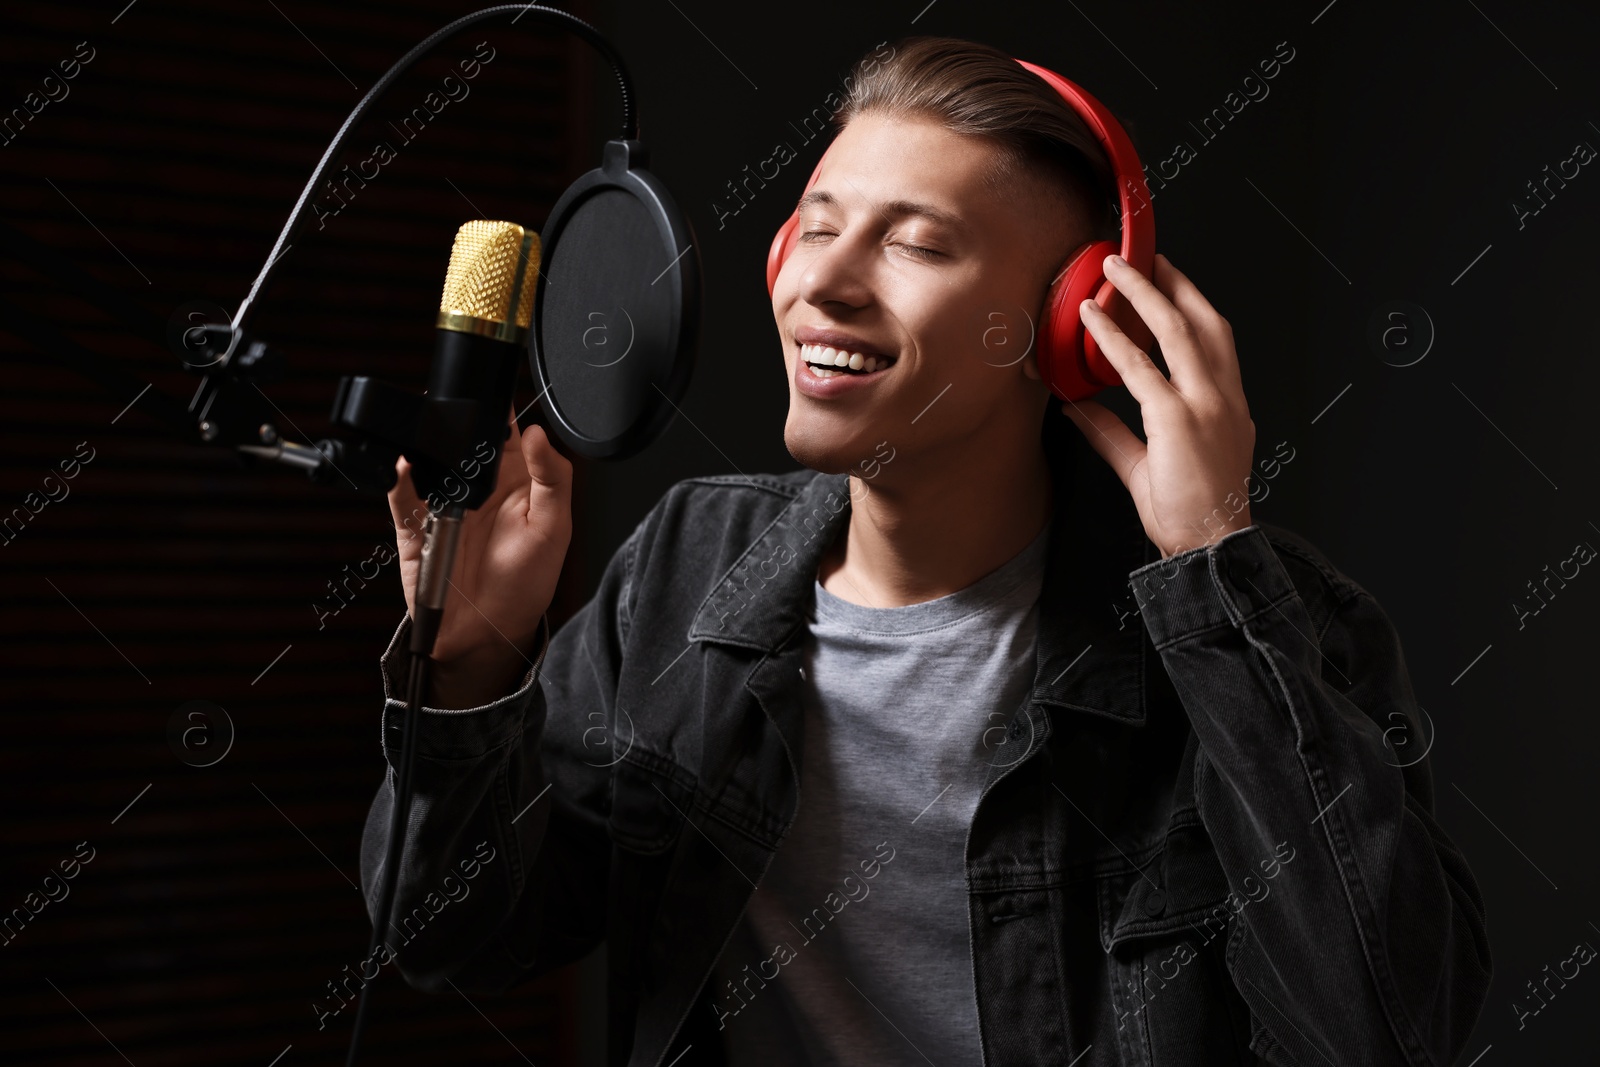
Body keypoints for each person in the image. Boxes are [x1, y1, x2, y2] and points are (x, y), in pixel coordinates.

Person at [360, 35, 1491, 1066]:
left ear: (1069, 322)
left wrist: (1211, 566)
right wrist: (467, 671)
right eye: (814, 224)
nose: (826, 285)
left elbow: (1381, 1033)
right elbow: (451, 939)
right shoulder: (689, 560)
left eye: (915, 243)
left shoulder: (1268, 614)